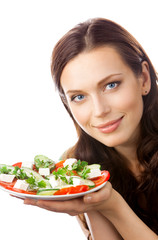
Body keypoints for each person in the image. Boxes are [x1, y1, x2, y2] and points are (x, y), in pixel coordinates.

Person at [24, 18, 158, 239]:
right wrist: (93, 200)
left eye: (111, 85)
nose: (99, 110)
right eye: (79, 97)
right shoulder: (78, 164)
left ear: (144, 79)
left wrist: (113, 206)